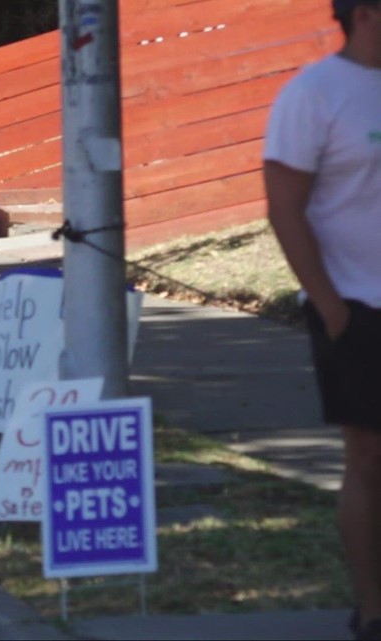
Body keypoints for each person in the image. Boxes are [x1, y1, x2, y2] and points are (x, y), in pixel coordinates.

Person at [263, 0, 381, 638]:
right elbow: (285, 209)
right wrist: (331, 307)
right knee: (368, 456)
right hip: (356, 308)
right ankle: (372, 607)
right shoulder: (313, 95)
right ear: (364, 12)